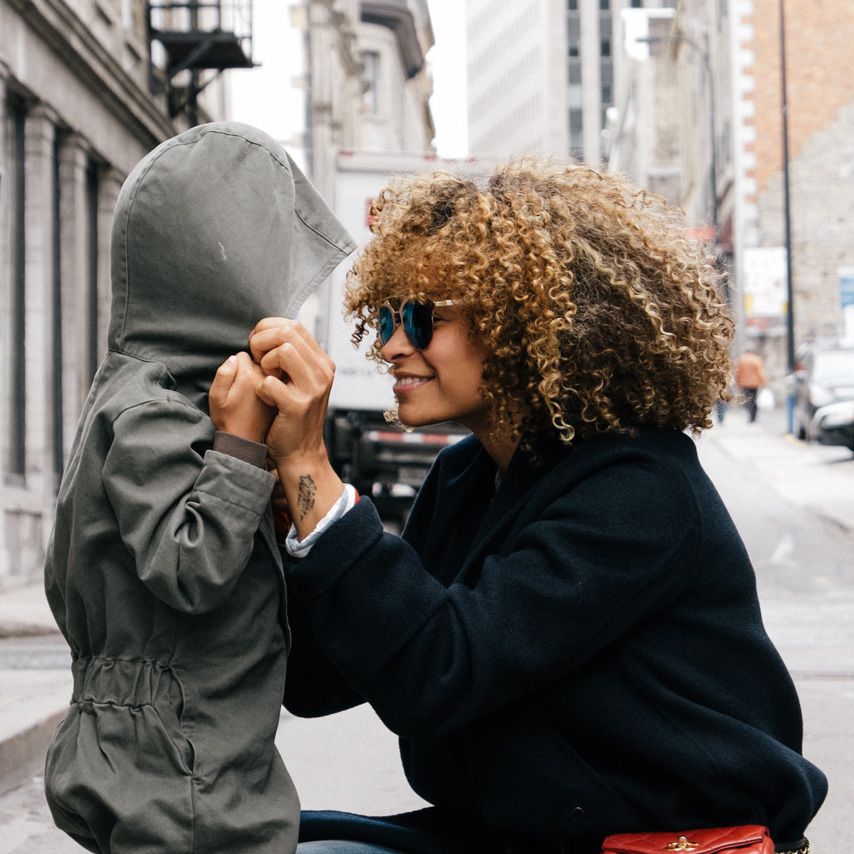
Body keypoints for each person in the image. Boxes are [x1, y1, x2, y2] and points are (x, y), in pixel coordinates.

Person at [252, 159, 826, 854]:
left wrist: (315, 471)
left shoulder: (639, 493)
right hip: (522, 835)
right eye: (384, 316)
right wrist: (290, 515)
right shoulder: (467, 476)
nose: (394, 344)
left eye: (424, 317)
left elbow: (439, 670)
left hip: (668, 845)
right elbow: (322, 680)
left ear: (528, 324)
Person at [42, 122, 354, 853]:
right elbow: (192, 565)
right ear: (222, 274)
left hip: (177, 751)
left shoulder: (160, 389)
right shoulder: (154, 405)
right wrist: (241, 445)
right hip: (182, 772)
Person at [735, 348, 767, 423]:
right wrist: (763, 382)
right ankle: (753, 416)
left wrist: (737, 382)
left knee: (747, 399)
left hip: (744, 383)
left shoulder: (741, 360)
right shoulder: (756, 359)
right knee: (754, 399)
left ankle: (750, 414)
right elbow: (760, 372)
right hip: (755, 383)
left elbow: (738, 372)